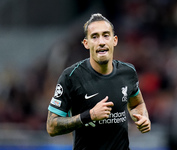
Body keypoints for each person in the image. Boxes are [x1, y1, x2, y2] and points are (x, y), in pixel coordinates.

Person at [46, 13, 151, 150]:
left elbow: (137, 103)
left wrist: (143, 118)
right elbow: (52, 126)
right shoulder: (71, 77)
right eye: (94, 37)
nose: (101, 42)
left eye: (106, 35)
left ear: (114, 40)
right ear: (86, 43)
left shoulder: (128, 72)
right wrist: (89, 116)